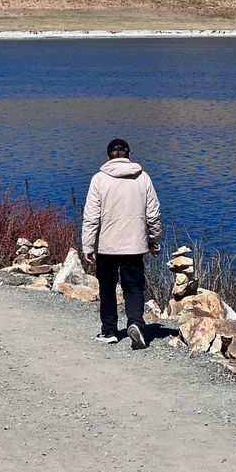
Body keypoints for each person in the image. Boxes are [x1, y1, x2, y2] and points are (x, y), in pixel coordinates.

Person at [82, 138, 162, 349]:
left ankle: (109, 331)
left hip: (106, 246)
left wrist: (88, 246)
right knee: (134, 287)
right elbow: (153, 214)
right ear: (128, 155)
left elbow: (91, 217)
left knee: (107, 288)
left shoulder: (99, 179)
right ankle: (135, 323)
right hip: (134, 246)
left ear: (108, 156)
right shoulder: (143, 178)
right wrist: (154, 240)